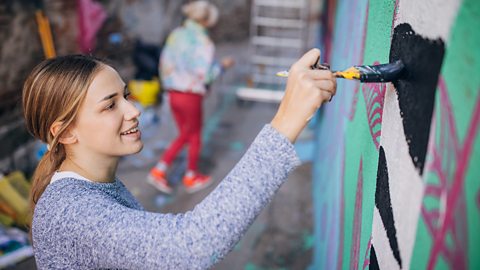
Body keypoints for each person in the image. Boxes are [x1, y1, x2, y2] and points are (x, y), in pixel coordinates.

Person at [23, 48, 336, 269]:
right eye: (109, 106)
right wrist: (288, 119)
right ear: (64, 133)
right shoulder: (71, 211)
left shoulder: (97, 186)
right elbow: (191, 245)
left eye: (126, 96)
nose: (134, 111)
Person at [148, 1, 234, 194]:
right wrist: (223, 65)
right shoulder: (204, 43)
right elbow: (206, 75)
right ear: (205, 20)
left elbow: (164, 64)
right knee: (193, 135)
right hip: (190, 94)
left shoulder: (176, 35)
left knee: (185, 133)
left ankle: (165, 171)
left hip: (172, 92)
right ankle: (185, 174)